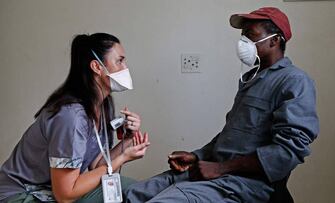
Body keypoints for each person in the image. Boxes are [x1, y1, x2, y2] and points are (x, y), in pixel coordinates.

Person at [124, 7, 319, 203]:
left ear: (274, 40)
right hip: (215, 172)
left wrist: (222, 168)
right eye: (243, 36)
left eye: (251, 36)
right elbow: (231, 137)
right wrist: (196, 157)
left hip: (245, 184)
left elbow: (288, 152)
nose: (244, 43)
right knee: (131, 195)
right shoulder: (251, 79)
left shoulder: (294, 81)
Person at [0, 33, 150, 202]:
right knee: (130, 195)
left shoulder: (102, 106)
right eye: (120, 61)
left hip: (54, 192)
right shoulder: (71, 116)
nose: (125, 67)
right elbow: (64, 195)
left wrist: (128, 140)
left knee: (137, 191)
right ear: (97, 67)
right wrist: (122, 158)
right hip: (22, 195)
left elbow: (98, 165)